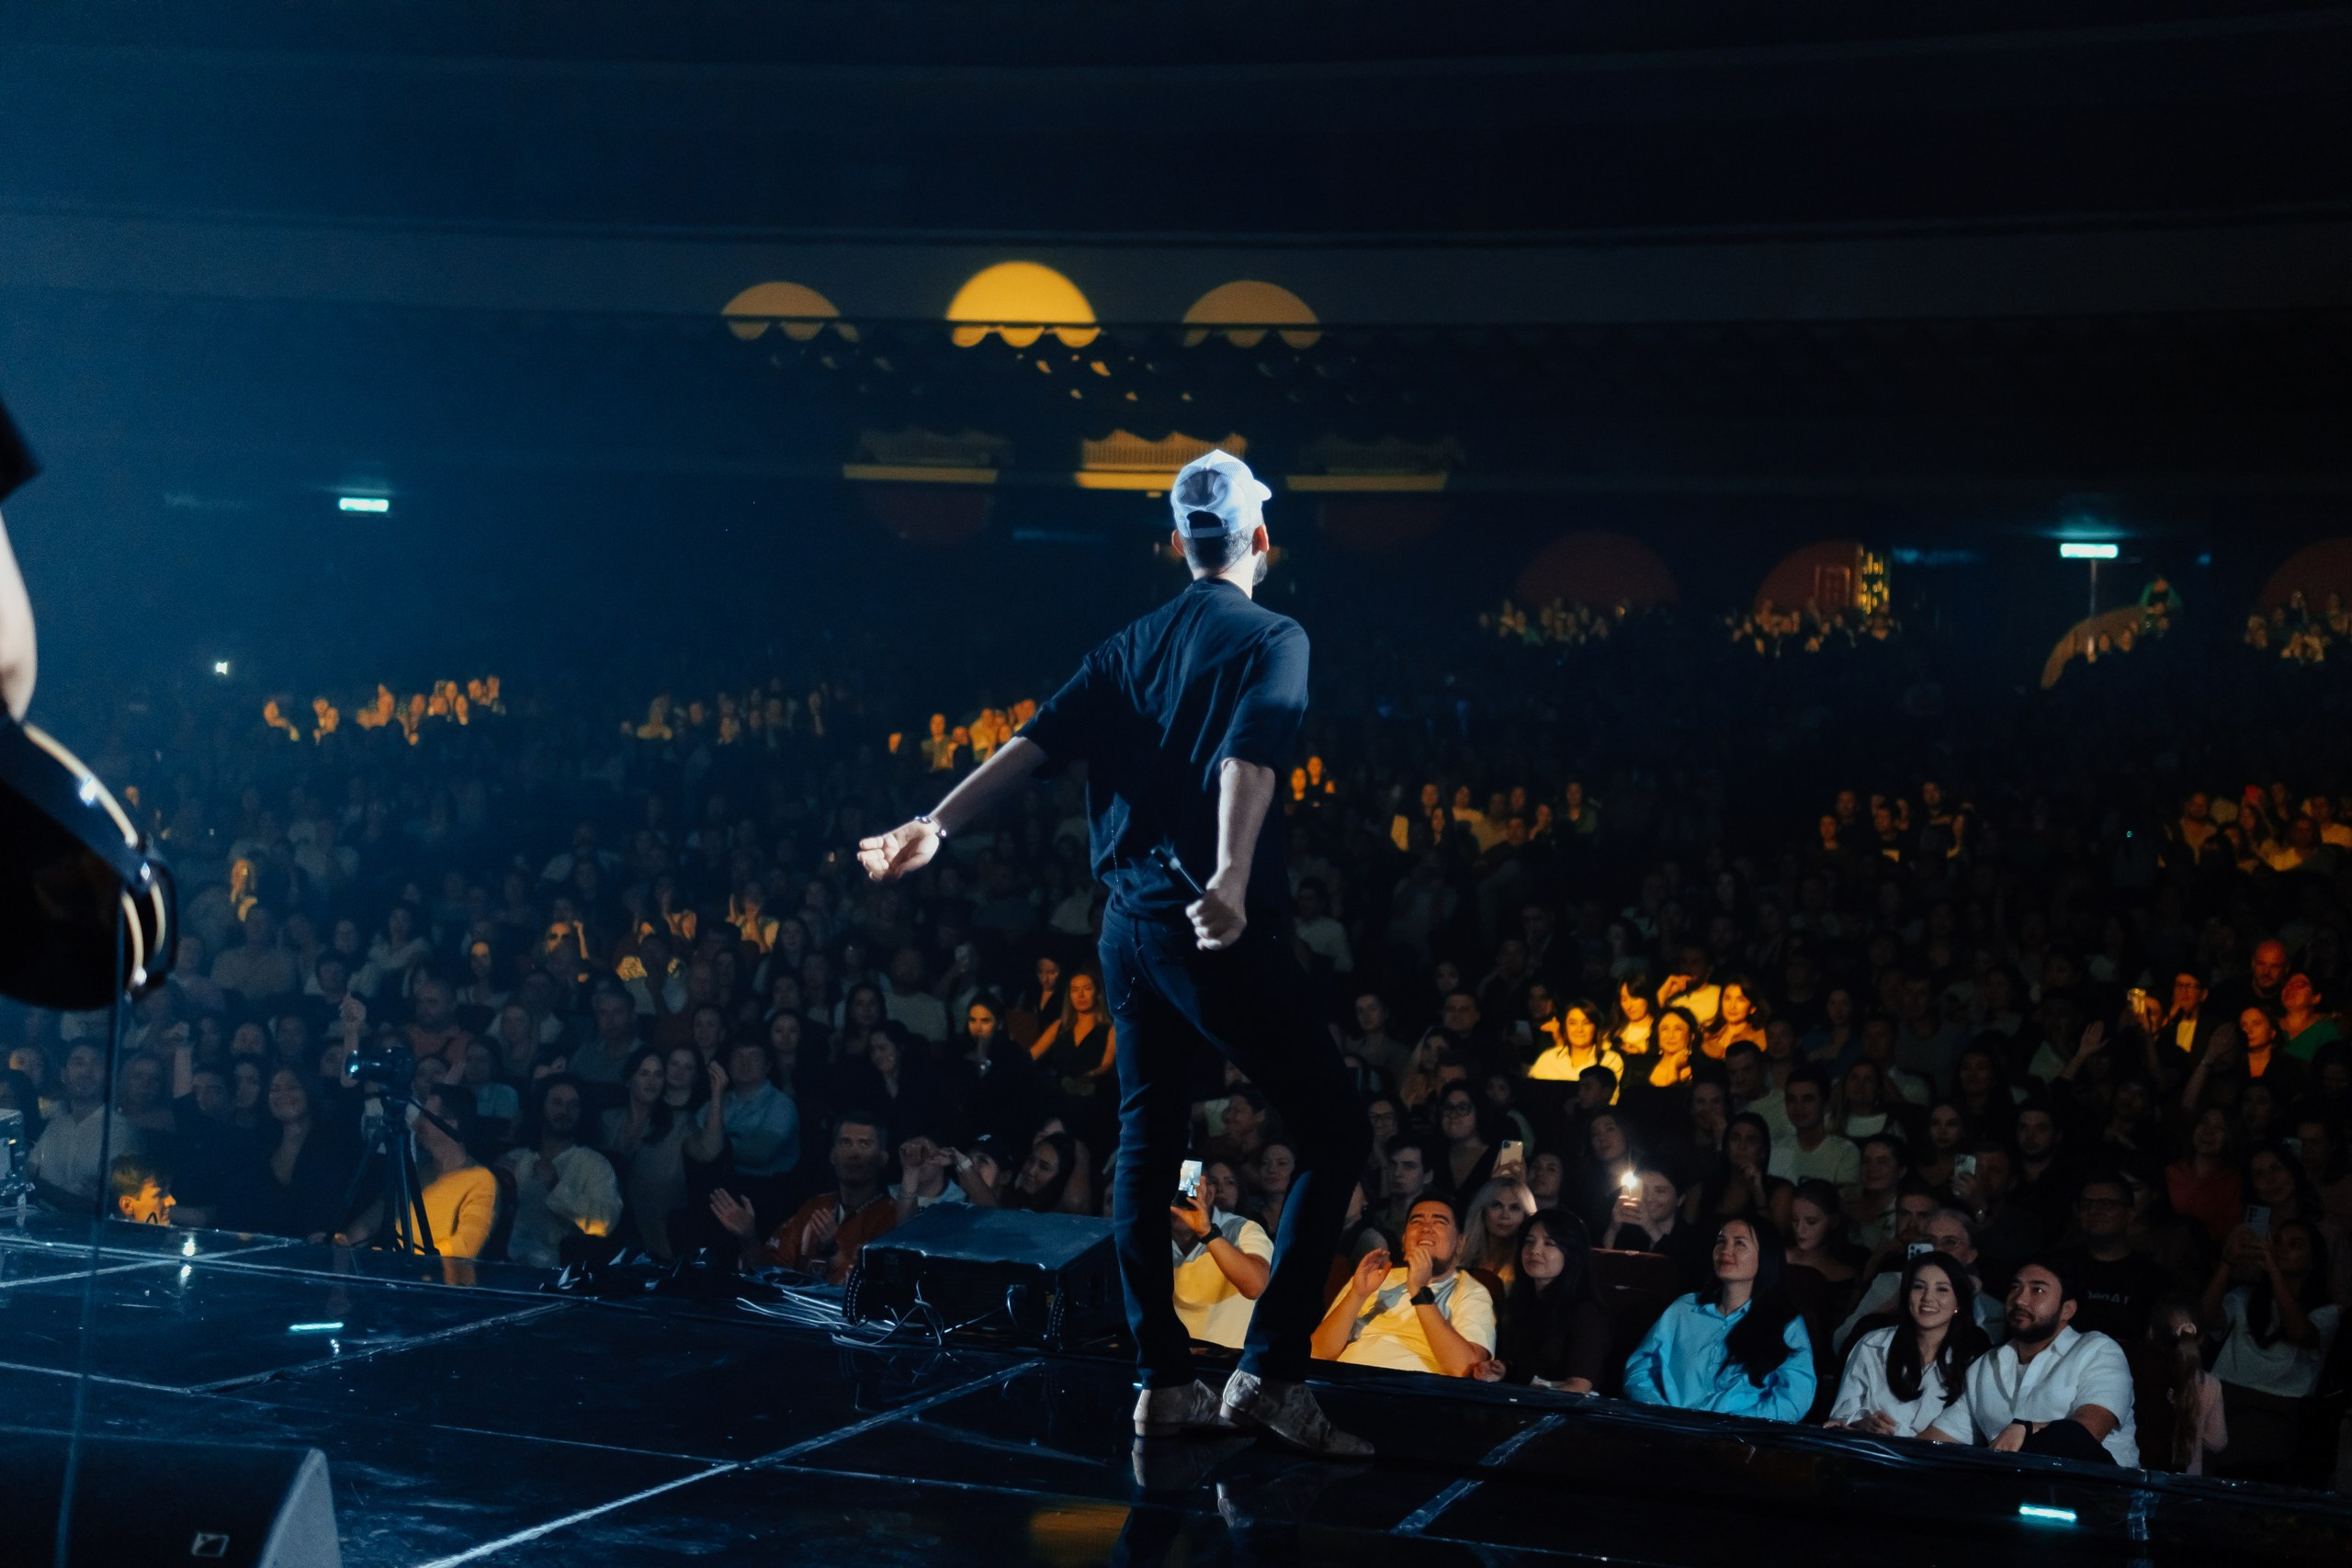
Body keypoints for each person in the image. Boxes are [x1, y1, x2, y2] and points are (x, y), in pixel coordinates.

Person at [856, 448, 1372, 1457]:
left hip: (1126, 931)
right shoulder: (1274, 635)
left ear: (1178, 543)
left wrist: (935, 823)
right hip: (1209, 930)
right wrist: (1227, 876)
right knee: (1336, 1133)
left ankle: (1164, 1380)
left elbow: (1029, 745)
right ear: (1260, 538)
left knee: (1146, 1145)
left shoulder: (1129, 644)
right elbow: (1250, 753)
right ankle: (1267, 1374)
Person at [1623, 1216, 1816, 1422]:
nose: (1725, 1250)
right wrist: (1663, 1414)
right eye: (1721, 1241)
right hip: (1670, 1430)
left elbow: (1794, 1398)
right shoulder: (1684, 1309)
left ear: (1765, 1255)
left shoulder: (1785, 1322)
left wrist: (1735, 1426)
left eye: (1739, 1243)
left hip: (1740, 1442)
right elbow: (1640, 1369)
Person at [1959, 1257, 2138, 1465]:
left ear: (2067, 1310)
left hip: (2099, 1489)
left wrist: (2026, 1429)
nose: (2019, 1300)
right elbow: (1943, 1435)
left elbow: (2089, 1432)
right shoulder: (1986, 1364)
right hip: (2013, 1489)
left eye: (2037, 1291)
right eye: (2015, 1288)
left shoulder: (2097, 1350)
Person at [1311, 1196, 1497, 1379]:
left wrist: (1419, 1291)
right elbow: (1317, 1353)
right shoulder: (1374, 1278)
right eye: (1416, 1222)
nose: (1425, 1229)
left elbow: (1463, 1369)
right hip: (1347, 1383)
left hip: (1410, 1394)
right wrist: (1357, 1294)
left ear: (1460, 1243)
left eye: (1439, 1222)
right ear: (1404, 1239)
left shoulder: (1471, 1292)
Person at [713, 1113, 898, 1284]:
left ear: (883, 1158)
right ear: (833, 1156)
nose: (853, 1153)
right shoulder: (815, 1207)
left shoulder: (893, 1216)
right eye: (845, 1143)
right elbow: (768, 1275)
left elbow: (877, 1291)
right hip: (799, 1317)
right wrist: (749, 1238)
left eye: (865, 1144)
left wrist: (833, 1250)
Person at [1826, 1250, 1986, 1439]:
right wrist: (1862, 1423)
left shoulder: (1972, 1357)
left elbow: (1967, 1432)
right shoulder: (1872, 1345)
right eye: (1919, 1287)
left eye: (1942, 1289)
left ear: (1958, 1302)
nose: (1928, 1298)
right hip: (1873, 1456)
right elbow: (1840, 1417)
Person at [498, 1074, 622, 1269]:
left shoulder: (595, 1165)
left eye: (574, 1105)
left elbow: (604, 1223)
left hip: (558, 1272)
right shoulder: (517, 1158)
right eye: (557, 1102)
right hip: (506, 1265)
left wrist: (556, 1186)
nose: (565, 1111)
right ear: (542, 1107)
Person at [1485, 1209, 1611, 1393]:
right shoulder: (1517, 1303)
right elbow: (1524, 1369)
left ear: (1571, 1252)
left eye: (1549, 1243)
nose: (1534, 1251)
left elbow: (1579, 1386)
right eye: (1529, 1241)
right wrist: (1504, 1371)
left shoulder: (1586, 1312)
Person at [1168, 1161, 1273, 1353]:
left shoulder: (1242, 1229)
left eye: (1190, 1188)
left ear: (1209, 1193)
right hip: (1175, 1365)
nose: (1182, 1196)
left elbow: (1257, 1286)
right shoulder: (1150, 1238)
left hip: (1229, 1365)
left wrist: (1207, 1234)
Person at [27, 1042, 139, 1212]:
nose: (86, 1072)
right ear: (64, 1075)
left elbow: (112, 1202)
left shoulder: (121, 1130)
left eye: (96, 1064)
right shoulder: (55, 1125)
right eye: (78, 1063)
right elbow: (28, 1173)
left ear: (109, 1076)